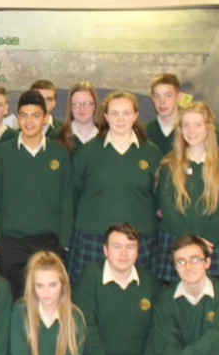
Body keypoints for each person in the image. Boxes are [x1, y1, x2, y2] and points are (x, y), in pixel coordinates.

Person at [73, 223, 166, 355]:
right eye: (117, 246)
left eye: (130, 247)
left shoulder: (149, 281)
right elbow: (86, 326)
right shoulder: (90, 278)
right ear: (105, 250)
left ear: (138, 251)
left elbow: (156, 330)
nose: (124, 253)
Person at [68, 90, 161, 283]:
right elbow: (74, 193)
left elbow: (158, 196)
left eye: (126, 113)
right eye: (115, 113)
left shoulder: (151, 153)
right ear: (106, 116)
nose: (120, 119)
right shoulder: (87, 153)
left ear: (135, 116)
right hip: (93, 237)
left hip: (139, 238)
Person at [0, 90, 73, 298]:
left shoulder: (59, 153)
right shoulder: (3, 152)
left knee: (48, 301)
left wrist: (63, 241)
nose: (29, 121)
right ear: (17, 118)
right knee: (15, 301)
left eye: (35, 115)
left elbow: (67, 201)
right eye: (24, 115)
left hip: (49, 243)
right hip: (11, 243)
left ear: (45, 118)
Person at [154, 101, 219, 283]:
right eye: (186, 125)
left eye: (197, 124)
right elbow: (168, 208)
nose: (191, 130)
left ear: (208, 128)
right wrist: (191, 242)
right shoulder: (169, 164)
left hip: (211, 244)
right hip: (175, 241)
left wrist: (205, 242)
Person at [57, 81, 101, 152]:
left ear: (95, 105)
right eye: (76, 104)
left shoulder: (105, 137)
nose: (82, 109)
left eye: (87, 103)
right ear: (70, 107)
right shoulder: (58, 137)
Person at [144, 73, 182, 156]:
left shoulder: (191, 131)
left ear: (178, 97)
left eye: (168, 95)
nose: (162, 101)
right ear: (152, 98)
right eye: (157, 96)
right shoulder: (143, 132)